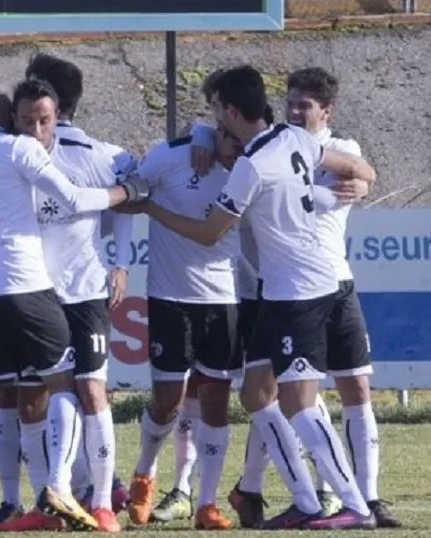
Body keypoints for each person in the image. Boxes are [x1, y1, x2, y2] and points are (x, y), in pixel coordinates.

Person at [130, 64, 378, 530]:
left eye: (216, 112)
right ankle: (304, 498)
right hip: (284, 289)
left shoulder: (252, 165)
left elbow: (208, 233)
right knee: (255, 393)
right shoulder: (295, 138)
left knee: (301, 403)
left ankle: (354, 504)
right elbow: (342, 161)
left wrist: (151, 209)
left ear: (229, 109)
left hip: (297, 292)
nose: (214, 121)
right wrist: (365, 177)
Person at [0, 75, 149, 532]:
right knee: (55, 388)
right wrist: (126, 194)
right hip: (28, 287)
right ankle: (52, 490)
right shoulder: (19, 151)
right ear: (8, 114)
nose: (36, 129)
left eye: (45, 120)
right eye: (26, 119)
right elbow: (76, 198)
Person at [226, 67, 400, 529]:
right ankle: (295, 493)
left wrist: (360, 182)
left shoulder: (340, 149)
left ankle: (365, 498)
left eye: (306, 104)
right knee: (262, 393)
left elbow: (330, 192)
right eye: (292, 102)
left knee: (350, 389)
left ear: (327, 111)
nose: (296, 110)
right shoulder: (278, 145)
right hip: (275, 287)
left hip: (327, 282)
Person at [119, 123, 246, 531]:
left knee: (214, 401)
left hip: (224, 299)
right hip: (171, 298)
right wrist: (201, 135)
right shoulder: (170, 156)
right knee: (167, 400)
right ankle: (145, 474)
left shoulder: (250, 166)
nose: (236, 154)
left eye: (244, 146)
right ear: (223, 125)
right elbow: (128, 192)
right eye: (232, 143)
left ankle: (206, 502)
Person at [23, 52, 132, 517]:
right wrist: (121, 261)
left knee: (78, 392)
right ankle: (63, 498)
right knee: (63, 394)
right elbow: (126, 204)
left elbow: (127, 199)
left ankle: (103, 501)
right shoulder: (18, 152)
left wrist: (120, 263)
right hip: (39, 290)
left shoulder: (99, 156)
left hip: (75, 291)